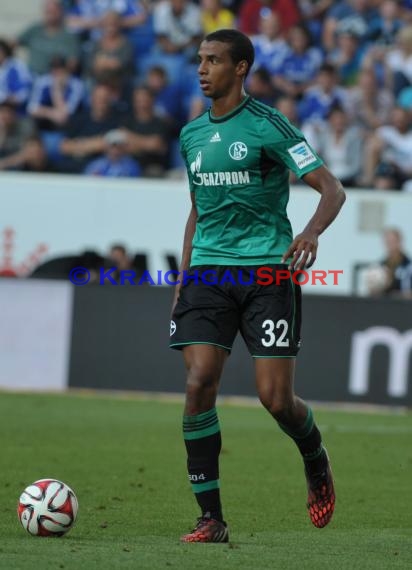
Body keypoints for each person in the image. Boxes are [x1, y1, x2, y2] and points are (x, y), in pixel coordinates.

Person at [169, 29, 345, 543]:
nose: (203, 69)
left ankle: (315, 458)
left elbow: (331, 188)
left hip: (267, 272)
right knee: (199, 381)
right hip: (208, 273)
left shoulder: (269, 126)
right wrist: (183, 276)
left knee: (275, 399)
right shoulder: (191, 135)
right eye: (199, 59)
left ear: (240, 68)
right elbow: (198, 209)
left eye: (214, 60)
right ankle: (212, 518)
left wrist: (310, 232)